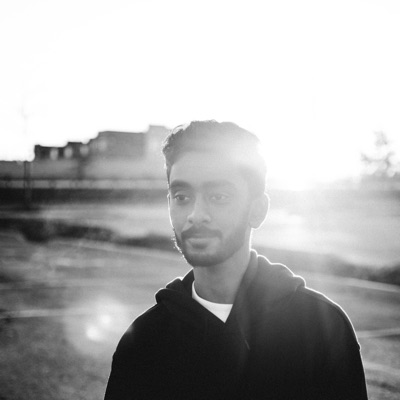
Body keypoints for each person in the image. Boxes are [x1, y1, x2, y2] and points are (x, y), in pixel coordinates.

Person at [105, 120, 368, 400]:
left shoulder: (323, 328)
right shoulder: (144, 340)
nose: (196, 215)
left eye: (219, 196)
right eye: (182, 196)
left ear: (258, 210)